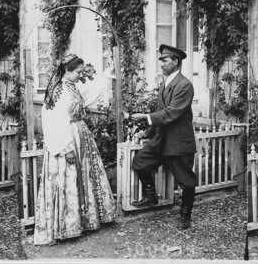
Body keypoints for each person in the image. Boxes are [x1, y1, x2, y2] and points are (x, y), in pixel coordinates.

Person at [34, 54, 117, 246]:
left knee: (83, 177)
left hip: (80, 136)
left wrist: (106, 74)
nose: (81, 75)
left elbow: (91, 93)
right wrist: (66, 148)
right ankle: (65, 226)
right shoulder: (59, 90)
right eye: (78, 72)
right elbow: (53, 122)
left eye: (81, 71)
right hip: (67, 140)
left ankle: (84, 220)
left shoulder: (72, 87)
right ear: (67, 71)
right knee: (67, 177)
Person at [129, 44, 198, 230]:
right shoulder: (165, 83)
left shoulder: (184, 85)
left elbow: (172, 113)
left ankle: (185, 216)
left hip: (178, 142)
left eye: (165, 61)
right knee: (140, 162)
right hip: (161, 139)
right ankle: (151, 197)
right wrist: (149, 132)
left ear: (175, 62)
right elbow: (161, 111)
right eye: (161, 61)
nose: (162, 65)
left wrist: (146, 118)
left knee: (186, 180)